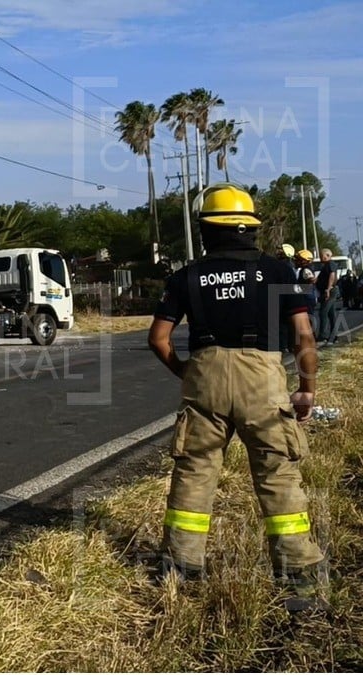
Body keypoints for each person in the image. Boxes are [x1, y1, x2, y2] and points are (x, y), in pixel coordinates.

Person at [148, 183, 323, 595]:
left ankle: (180, 566)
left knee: (194, 470)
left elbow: (158, 338)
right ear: (251, 228)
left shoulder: (185, 277)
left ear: (206, 231)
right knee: (277, 471)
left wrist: (187, 373)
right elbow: (303, 337)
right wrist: (307, 389)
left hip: (204, 379)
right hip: (262, 378)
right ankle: (297, 570)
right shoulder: (278, 271)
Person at [315, 249, 341, 344]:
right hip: (328, 290)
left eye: (322, 255)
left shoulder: (330, 264)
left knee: (323, 312)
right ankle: (334, 336)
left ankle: (323, 336)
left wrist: (328, 289)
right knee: (331, 314)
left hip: (330, 291)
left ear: (328, 255)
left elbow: (332, 275)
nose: (321, 257)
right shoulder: (325, 266)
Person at [276, 244, 297, 352]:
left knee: (283, 324)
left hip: (284, 297)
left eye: (280, 250)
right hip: (288, 297)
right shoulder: (290, 265)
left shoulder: (283, 266)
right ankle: (290, 345)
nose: (278, 251)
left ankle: (284, 345)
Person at [295, 249, 318, 337]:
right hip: (308, 296)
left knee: (308, 317)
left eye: (299, 260)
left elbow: (311, 279)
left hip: (307, 297)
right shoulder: (305, 269)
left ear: (305, 261)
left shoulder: (306, 270)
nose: (297, 261)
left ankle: (312, 336)